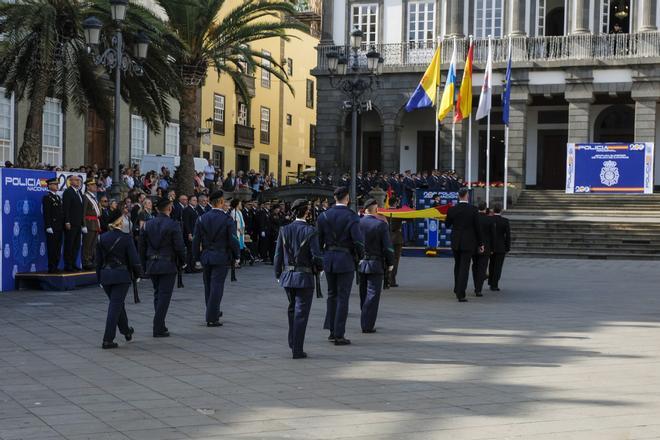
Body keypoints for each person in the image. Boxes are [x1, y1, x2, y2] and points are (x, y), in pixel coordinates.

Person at [274, 199, 323, 359]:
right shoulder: (310, 230)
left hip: (288, 276)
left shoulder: (284, 229)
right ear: (306, 212)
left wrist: (277, 273)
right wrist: (320, 269)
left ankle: (293, 341)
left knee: (292, 309)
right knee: (301, 312)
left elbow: (278, 255)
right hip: (304, 276)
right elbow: (316, 256)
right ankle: (297, 348)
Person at [317, 186, 364, 345]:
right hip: (345, 259)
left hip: (329, 258)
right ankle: (339, 334)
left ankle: (331, 331)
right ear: (347, 198)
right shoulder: (351, 216)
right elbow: (358, 240)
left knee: (332, 295)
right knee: (343, 296)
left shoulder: (323, 215)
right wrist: (361, 256)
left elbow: (318, 241)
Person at [192, 190, 240, 327]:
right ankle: (212, 317)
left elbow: (196, 240)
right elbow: (232, 239)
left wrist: (196, 257)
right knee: (217, 286)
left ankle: (213, 310)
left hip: (206, 256)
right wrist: (237, 255)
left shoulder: (202, 218)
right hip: (221, 256)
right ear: (220, 202)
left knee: (208, 286)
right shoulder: (227, 219)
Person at [139, 198, 186, 337]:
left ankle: (161, 324)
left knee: (157, 294)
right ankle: (157, 326)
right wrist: (182, 261)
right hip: (167, 264)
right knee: (164, 296)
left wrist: (143, 265)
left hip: (152, 264)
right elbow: (179, 246)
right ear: (170, 208)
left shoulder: (147, 225)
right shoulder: (173, 225)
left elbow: (141, 247)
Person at [96, 208, 141, 349]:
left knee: (118, 304)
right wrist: (138, 274)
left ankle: (126, 331)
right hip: (121, 276)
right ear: (119, 222)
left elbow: (98, 261)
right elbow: (134, 260)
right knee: (115, 307)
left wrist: (99, 279)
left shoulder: (101, 238)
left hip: (106, 275)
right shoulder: (126, 238)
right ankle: (107, 339)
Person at [358, 199, 394, 333]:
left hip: (361, 263)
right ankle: (367, 324)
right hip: (375, 263)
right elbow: (387, 247)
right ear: (375, 209)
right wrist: (390, 263)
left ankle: (364, 317)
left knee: (363, 293)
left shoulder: (357, 223)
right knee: (373, 294)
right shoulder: (380, 225)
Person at [445, 188, 484, 302]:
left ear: (458, 196)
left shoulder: (452, 209)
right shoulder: (473, 210)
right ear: (467, 195)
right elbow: (478, 228)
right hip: (468, 242)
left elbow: (447, 225)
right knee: (464, 267)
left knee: (457, 265)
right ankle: (461, 293)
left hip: (456, 241)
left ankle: (457, 288)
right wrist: (481, 243)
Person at [472, 202, 495, 297]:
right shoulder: (489, 220)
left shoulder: (473, 219)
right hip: (486, 247)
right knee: (482, 268)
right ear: (486, 209)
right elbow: (493, 236)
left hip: (474, 246)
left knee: (475, 266)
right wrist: (492, 248)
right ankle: (478, 289)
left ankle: (475, 285)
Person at [62, 175, 84, 271]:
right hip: (71, 223)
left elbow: (81, 210)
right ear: (70, 182)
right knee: (69, 244)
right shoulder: (68, 192)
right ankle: (68, 264)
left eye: (79, 180)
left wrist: (83, 223)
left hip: (78, 223)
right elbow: (66, 208)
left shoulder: (79, 192)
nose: (78, 182)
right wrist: (67, 221)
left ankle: (74, 263)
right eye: (76, 180)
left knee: (76, 245)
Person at [42, 178, 64, 273]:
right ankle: (51, 267)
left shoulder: (58, 197)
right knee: (52, 248)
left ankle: (56, 265)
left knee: (58, 247)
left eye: (57, 184)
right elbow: (46, 213)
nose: (56, 186)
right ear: (49, 185)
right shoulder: (47, 198)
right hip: (52, 226)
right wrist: (48, 226)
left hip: (59, 226)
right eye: (54, 184)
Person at [489, 204, 511, 291]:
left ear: (493, 210)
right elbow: (508, 236)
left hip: (491, 246)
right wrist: (507, 247)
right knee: (498, 266)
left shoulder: (490, 219)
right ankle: (494, 284)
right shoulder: (505, 221)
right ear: (501, 210)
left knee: (491, 264)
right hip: (501, 246)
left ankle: (490, 281)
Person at [81, 178, 101, 270]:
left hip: (95, 223)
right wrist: (83, 225)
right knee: (87, 244)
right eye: (92, 185)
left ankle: (91, 260)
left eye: (95, 185)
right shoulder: (86, 197)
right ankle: (86, 261)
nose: (95, 186)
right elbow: (83, 212)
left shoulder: (93, 197)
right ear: (88, 187)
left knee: (93, 244)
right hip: (89, 223)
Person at [182, 195, 200, 272]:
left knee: (193, 250)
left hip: (195, 232)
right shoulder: (187, 210)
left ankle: (192, 266)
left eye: (196, 200)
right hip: (190, 233)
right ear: (189, 201)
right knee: (190, 251)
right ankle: (189, 268)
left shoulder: (194, 210)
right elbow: (186, 223)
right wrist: (189, 233)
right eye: (193, 200)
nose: (195, 202)